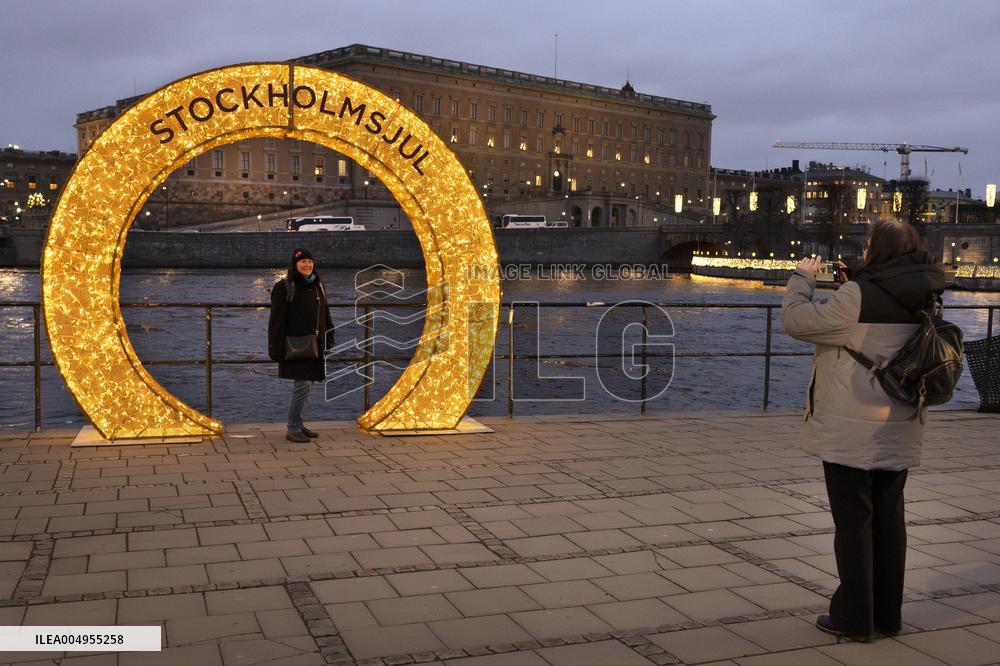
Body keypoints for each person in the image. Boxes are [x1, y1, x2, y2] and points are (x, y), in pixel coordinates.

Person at [781, 219, 945, 642]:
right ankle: (887, 616)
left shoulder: (857, 295)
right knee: (890, 521)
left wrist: (803, 278)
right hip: (901, 422)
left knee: (853, 524)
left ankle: (854, 619)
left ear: (875, 250)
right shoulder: (927, 293)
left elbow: (798, 322)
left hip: (852, 430)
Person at [268, 248, 334, 443]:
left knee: (308, 385)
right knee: (302, 385)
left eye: (309, 261)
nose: (307, 265)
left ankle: (299, 423)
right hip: (295, 345)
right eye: (303, 262)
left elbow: (325, 313)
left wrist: (329, 335)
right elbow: (276, 321)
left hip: (315, 344)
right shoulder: (285, 287)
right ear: (294, 265)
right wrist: (275, 347)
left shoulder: (318, 285)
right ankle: (293, 428)